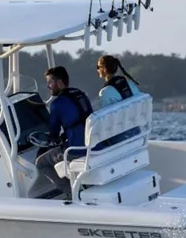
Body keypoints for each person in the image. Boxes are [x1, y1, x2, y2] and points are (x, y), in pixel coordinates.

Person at [36, 66, 93, 200]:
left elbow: (53, 133)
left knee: (41, 162)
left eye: (50, 82)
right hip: (92, 145)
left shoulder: (57, 104)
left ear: (60, 83)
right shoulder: (80, 94)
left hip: (76, 150)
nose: (48, 86)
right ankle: (77, 189)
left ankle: (71, 193)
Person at [96, 55, 142, 144]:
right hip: (137, 133)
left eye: (98, 67)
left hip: (119, 138)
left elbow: (106, 121)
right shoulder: (131, 85)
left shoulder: (105, 92)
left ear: (104, 69)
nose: (97, 69)